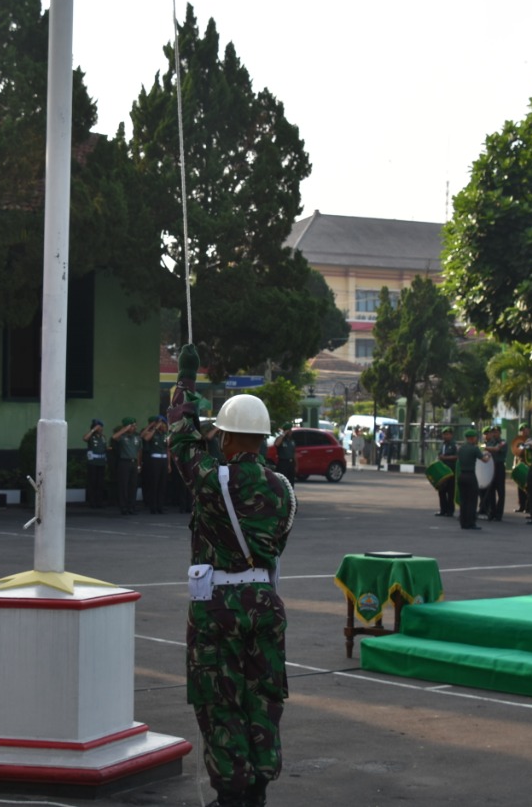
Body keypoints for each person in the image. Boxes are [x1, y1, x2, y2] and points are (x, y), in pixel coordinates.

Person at [168, 344, 295, 807]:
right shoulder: (283, 489)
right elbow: (275, 547)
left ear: (225, 439)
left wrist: (186, 382)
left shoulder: (213, 480)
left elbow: (180, 442)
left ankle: (231, 795)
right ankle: (258, 789)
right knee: (263, 698)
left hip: (220, 607)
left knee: (220, 703)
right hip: (265, 602)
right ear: (262, 438)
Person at [456, 429, 490, 530]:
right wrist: (488, 455)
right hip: (470, 476)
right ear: (472, 438)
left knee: (463, 501)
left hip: (461, 475)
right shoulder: (474, 449)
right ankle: (471, 523)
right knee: (472, 501)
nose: (476, 439)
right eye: (475, 437)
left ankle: (463, 522)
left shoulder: (461, 449)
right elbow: (485, 460)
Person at [112, 417, 142, 515]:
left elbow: (139, 452)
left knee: (133, 486)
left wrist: (138, 465)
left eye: (135, 426)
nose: (134, 427)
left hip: (134, 463)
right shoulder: (122, 436)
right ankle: (123, 507)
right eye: (132, 426)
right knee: (123, 486)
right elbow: (114, 437)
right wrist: (125, 429)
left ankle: (131, 506)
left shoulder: (137, 437)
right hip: (124, 462)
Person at [141, 415, 170, 514]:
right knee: (154, 483)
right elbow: (145, 438)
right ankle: (153, 506)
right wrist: (154, 427)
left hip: (164, 460)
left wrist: (169, 464)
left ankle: (160, 506)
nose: (163, 426)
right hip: (154, 460)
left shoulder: (166, 434)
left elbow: (168, 449)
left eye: (164, 424)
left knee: (162, 484)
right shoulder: (153, 433)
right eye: (161, 424)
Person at [482, 425, 507, 522]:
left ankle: (499, 514)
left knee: (500, 492)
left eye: (496, 432)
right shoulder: (490, 443)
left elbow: (497, 449)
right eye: (492, 432)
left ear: (500, 433)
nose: (494, 434)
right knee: (491, 491)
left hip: (499, 467)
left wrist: (486, 448)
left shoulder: (503, 442)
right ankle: (492, 512)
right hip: (491, 467)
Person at [83, 418, 109, 508]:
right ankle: (92, 502)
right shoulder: (91, 436)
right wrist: (93, 430)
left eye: (101, 427)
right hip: (93, 463)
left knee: (100, 483)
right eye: (99, 427)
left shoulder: (103, 437)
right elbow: (85, 438)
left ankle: (99, 501)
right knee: (92, 482)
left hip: (101, 462)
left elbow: (104, 447)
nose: (100, 429)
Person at [434, 428, 458, 518]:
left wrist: (445, 458)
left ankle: (450, 511)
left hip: (451, 471)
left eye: (448, 434)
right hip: (442, 471)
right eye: (444, 434)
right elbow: (439, 454)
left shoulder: (454, 445)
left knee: (450, 492)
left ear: (451, 435)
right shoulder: (442, 445)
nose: (445, 436)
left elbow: (457, 456)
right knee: (441, 491)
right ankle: (443, 510)